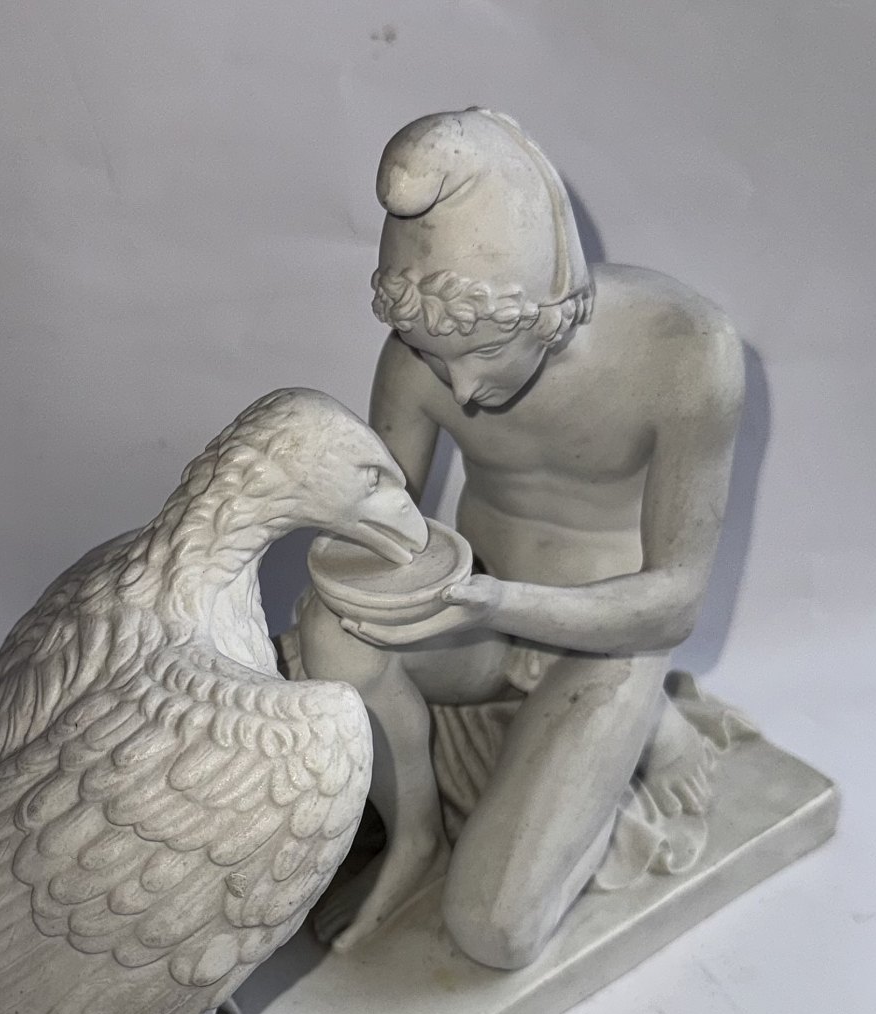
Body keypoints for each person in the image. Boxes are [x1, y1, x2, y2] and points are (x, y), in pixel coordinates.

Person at [297, 108, 745, 968]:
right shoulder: (417, 357)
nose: (460, 390)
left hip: (606, 642)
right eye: (433, 357)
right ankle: (414, 838)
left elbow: (675, 602)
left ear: (550, 309)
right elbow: (376, 534)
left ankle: (642, 724)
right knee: (328, 628)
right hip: (480, 620)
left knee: (494, 930)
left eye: (483, 352)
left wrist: (496, 601)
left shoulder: (684, 351)